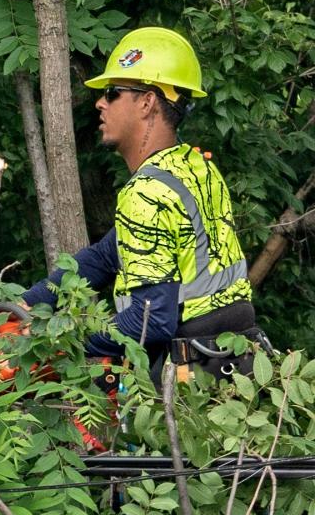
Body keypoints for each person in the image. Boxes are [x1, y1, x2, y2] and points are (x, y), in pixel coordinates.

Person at [20, 26, 262, 377]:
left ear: (147, 102)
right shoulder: (196, 168)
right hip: (236, 359)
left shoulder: (145, 192)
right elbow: (106, 255)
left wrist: (51, 338)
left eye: (113, 92)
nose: (100, 102)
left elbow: (151, 320)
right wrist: (27, 304)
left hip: (193, 376)